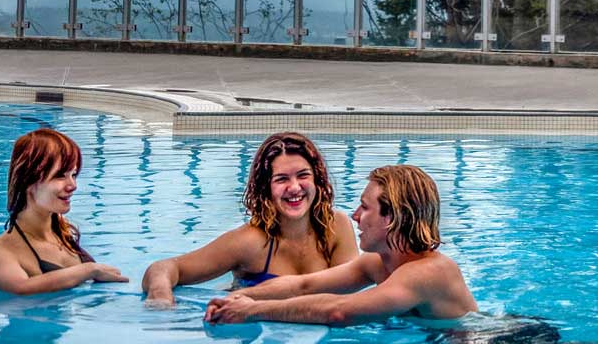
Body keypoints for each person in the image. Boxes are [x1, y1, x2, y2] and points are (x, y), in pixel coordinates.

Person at [205, 165, 477, 325]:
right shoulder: (379, 263)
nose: (355, 215)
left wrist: (252, 311)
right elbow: (304, 285)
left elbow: (338, 311)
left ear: (392, 218)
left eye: (365, 207)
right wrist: (240, 298)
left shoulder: (428, 272)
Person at [143, 132, 358, 308]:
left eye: (303, 175)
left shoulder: (336, 228)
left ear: (317, 180)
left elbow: (349, 294)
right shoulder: (250, 242)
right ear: (266, 189)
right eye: (281, 179)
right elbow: (166, 267)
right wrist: (160, 297)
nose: (294, 187)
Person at [0, 128, 129, 295]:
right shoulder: (0, 254)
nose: (73, 185)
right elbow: (20, 288)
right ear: (28, 181)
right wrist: (89, 270)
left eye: (73, 174)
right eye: (60, 176)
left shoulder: (64, 232)